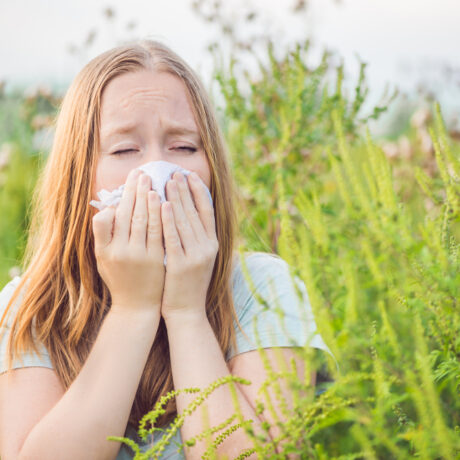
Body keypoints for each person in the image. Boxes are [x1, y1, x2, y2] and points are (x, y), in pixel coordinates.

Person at [0, 39, 336, 460]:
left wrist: (186, 312)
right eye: (124, 149)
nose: (158, 172)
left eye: (183, 147)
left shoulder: (261, 287)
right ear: (79, 175)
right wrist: (132, 310)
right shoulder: (31, 305)